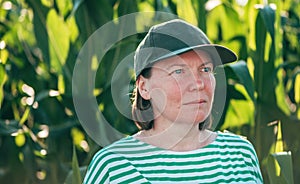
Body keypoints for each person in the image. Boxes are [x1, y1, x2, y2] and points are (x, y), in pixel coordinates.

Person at [83, 19, 263, 183]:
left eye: (205, 69)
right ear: (144, 88)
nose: (198, 84)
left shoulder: (241, 155)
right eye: (178, 71)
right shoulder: (113, 167)